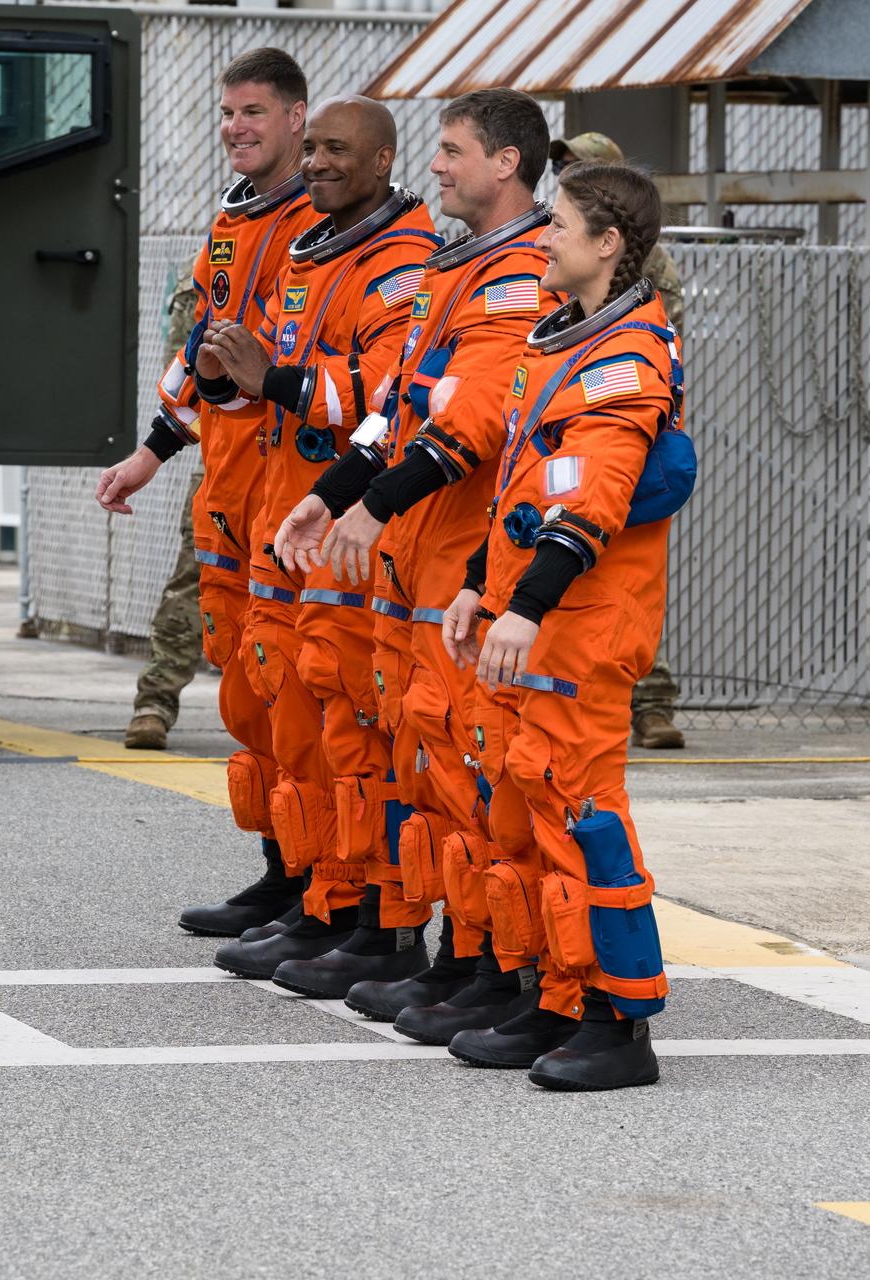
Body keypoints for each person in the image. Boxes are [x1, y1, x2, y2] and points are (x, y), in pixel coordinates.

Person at [270, 88, 560, 1023]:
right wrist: (330, 498)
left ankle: (494, 967)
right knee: (421, 761)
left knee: (480, 775)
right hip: (414, 566)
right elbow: (394, 410)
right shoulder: (454, 270)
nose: (435, 166)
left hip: (462, 567)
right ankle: (445, 947)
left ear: (506, 163)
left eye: (451, 150)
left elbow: (471, 422)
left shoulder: (520, 276)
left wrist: (373, 507)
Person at [439, 162, 687, 1091]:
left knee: (582, 817)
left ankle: (622, 1025)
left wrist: (528, 606)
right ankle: (554, 995)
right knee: (527, 808)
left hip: (581, 628)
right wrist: (477, 586)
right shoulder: (562, 341)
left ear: (607, 245)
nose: (545, 238)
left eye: (562, 226)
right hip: (533, 615)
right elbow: (515, 493)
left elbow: (593, 501)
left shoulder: (626, 358)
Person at [193, 97, 442, 987]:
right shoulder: (311, 251)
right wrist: (229, 380)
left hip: (348, 532)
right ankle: (309, 891)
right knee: (283, 712)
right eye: (320, 151)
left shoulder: (405, 262)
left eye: (338, 150)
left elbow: (382, 398)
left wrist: (279, 377)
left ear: (382, 162)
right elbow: (267, 389)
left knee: (355, 731)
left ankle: (366, 918)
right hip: (288, 514)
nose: (321, 164)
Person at [96, 49, 316, 936]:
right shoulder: (233, 220)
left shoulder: (322, 224)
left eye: (253, 112)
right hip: (231, 487)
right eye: (228, 114)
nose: (237, 128)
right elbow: (206, 353)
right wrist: (151, 451)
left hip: (291, 489)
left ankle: (324, 891)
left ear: (297, 118)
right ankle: (281, 872)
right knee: (252, 697)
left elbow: (291, 361)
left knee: (305, 699)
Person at [549, 131, 686, 751]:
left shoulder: (635, 282)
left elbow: (660, 323)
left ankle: (650, 702)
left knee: (614, 560)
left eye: (576, 168)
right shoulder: (561, 250)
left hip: (616, 413)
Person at [123, 263, 205, 752]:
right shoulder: (226, 252)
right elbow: (189, 368)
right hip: (233, 450)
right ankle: (155, 702)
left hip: (322, 451)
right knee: (196, 577)